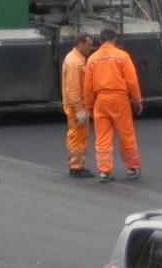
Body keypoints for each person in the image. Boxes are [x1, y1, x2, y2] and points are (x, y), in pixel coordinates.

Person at [83, 28, 144, 182]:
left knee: (102, 137)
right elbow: (132, 81)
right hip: (119, 99)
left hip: (101, 100)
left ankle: (104, 171)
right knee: (126, 134)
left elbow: (87, 86)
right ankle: (132, 167)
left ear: (100, 40)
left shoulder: (92, 59)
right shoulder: (122, 56)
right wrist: (137, 100)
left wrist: (89, 106)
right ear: (114, 39)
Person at [60, 34, 95, 178]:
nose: (90, 48)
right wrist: (79, 110)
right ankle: (76, 167)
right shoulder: (75, 62)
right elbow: (73, 88)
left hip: (77, 105)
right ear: (80, 43)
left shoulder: (76, 59)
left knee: (78, 135)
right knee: (78, 135)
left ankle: (76, 165)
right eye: (88, 45)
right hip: (77, 106)